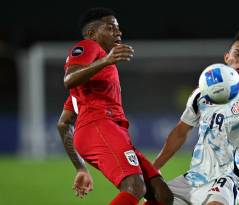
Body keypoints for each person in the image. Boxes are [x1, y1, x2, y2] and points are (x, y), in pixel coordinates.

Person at [61, 7, 173, 205]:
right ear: (92, 33)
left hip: (108, 129)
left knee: (162, 195)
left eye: (118, 29)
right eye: (111, 28)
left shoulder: (89, 85)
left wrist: (80, 168)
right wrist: (106, 59)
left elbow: (63, 124)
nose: (118, 33)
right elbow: (69, 79)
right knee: (134, 186)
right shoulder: (89, 46)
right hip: (98, 126)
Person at [153, 31, 239, 205]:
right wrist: (154, 168)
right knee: (157, 200)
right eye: (238, 54)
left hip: (227, 179)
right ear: (227, 57)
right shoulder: (203, 91)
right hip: (193, 178)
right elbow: (180, 131)